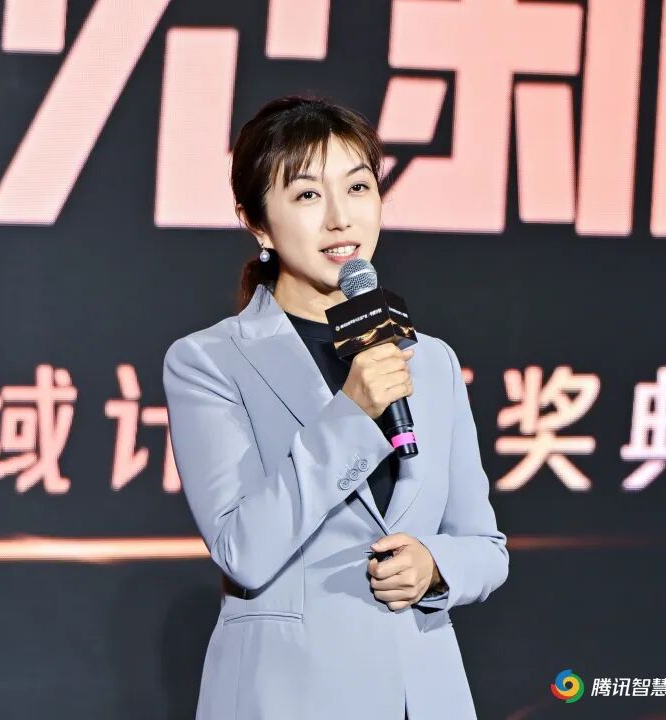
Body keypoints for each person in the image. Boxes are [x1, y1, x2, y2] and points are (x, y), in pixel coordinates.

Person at [162, 95, 509, 720]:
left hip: (421, 695)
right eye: (306, 195)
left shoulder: (428, 360)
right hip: (286, 695)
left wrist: (435, 566)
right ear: (257, 223)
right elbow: (243, 548)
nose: (340, 218)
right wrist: (351, 415)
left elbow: (484, 544)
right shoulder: (209, 361)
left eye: (358, 187)